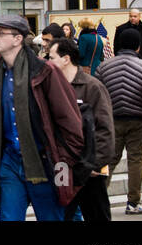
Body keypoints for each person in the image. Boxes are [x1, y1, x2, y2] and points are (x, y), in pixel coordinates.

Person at [0, 14, 85, 221]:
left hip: (44, 162)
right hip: (10, 161)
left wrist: (62, 162)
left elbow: (70, 122)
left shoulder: (44, 71)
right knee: (9, 218)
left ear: (17, 39)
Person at [95, 25, 142, 216]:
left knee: (108, 160)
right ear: (138, 47)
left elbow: (97, 97)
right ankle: (133, 202)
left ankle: (98, 198)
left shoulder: (103, 67)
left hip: (111, 121)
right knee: (135, 161)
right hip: (138, 122)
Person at [48, 37, 115, 223]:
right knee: (61, 215)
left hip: (89, 170)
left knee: (97, 214)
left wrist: (93, 165)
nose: (48, 62)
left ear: (66, 58)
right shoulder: (52, 87)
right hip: (63, 169)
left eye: (51, 57)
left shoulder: (92, 87)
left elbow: (105, 130)